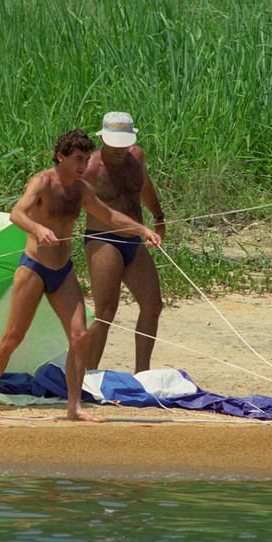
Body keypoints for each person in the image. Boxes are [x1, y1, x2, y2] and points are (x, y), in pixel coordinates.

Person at [0, 128, 161, 422]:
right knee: (14, 336)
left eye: (87, 159)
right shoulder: (42, 182)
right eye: (78, 159)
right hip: (34, 268)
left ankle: (74, 407)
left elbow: (110, 217)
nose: (83, 165)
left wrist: (143, 229)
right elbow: (17, 213)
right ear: (61, 156)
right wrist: (37, 229)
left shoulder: (82, 190)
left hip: (62, 271)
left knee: (79, 335)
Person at [83, 112, 167, 373]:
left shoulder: (136, 157)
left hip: (135, 241)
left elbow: (144, 187)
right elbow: (72, 200)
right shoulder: (90, 168)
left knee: (153, 306)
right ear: (102, 138)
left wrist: (158, 216)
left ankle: (142, 373)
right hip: (103, 240)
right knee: (106, 312)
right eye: (113, 143)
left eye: (124, 143)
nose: (119, 149)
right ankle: (87, 375)